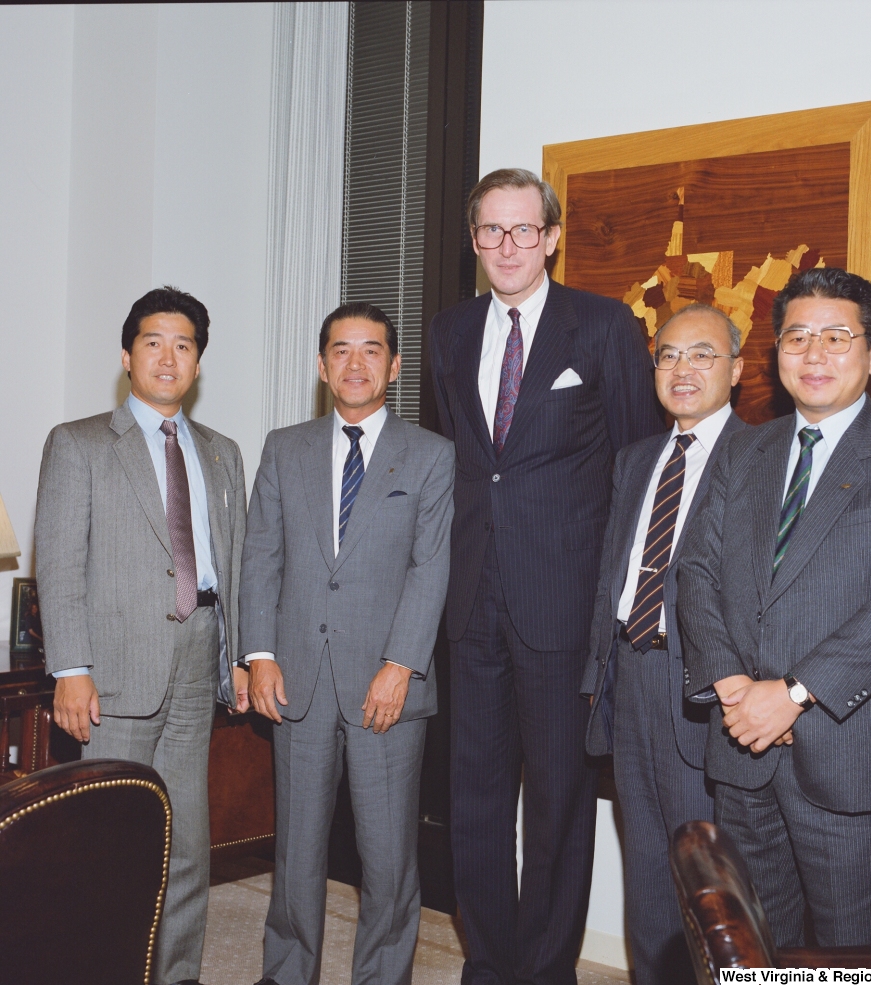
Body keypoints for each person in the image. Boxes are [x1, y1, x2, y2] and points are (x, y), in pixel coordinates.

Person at [677, 267, 871, 947]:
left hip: (851, 763)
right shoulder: (742, 448)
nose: (815, 354)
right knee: (757, 948)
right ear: (776, 354)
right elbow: (696, 572)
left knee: (850, 958)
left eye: (837, 337)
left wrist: (793, 694)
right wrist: (733, 685)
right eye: (798, 338)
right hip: (743, 752)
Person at [429, 168, 663, 985]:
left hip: (565, 607)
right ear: (474, 240)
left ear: (552, 236)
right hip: (473, 602)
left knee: (560, 805)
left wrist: (619, 610)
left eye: (524, 229)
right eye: (491, 231)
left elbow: (638, 468)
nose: (508, 246)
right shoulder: (450, 331)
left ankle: (546, 971)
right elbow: (468, 467)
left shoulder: (601, 327)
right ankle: (490, 965)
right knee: (476, 802)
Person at [35, 286, 249, 985]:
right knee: (108, 840)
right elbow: (59, 563)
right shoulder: (80, 443)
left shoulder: (222, 453)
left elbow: (236, 562)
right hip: (115, 668)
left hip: (197, 658)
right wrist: (71, 665)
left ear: (197, 363)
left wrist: (240, 654)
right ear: (128, 355)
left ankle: (176, 973)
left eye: (184, 344)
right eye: (154, 341)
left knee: (186, 841)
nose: (169, 355)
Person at [240, 302, 455, 985]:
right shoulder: (284, 447)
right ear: (321, 364)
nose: (355, 362)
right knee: (296, 849)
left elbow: (431, 566)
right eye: (341, 349)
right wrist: (260, 653)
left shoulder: (430, 455)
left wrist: (402, 664)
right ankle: (287, 970)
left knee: (387, 856)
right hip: (297, 678)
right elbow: (261, 557)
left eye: (371, 350)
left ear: (393, 365)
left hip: (385, 685)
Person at [581, 304, 749, 983]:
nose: (683, 370)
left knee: (710, 886)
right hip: (632, 682)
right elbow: (612, 573)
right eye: (669, 356)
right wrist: (599, 674)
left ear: (736, 369)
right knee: (648, 873)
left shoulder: (760, 457)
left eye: (702, 355)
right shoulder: (636, 458)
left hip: (703, 695)